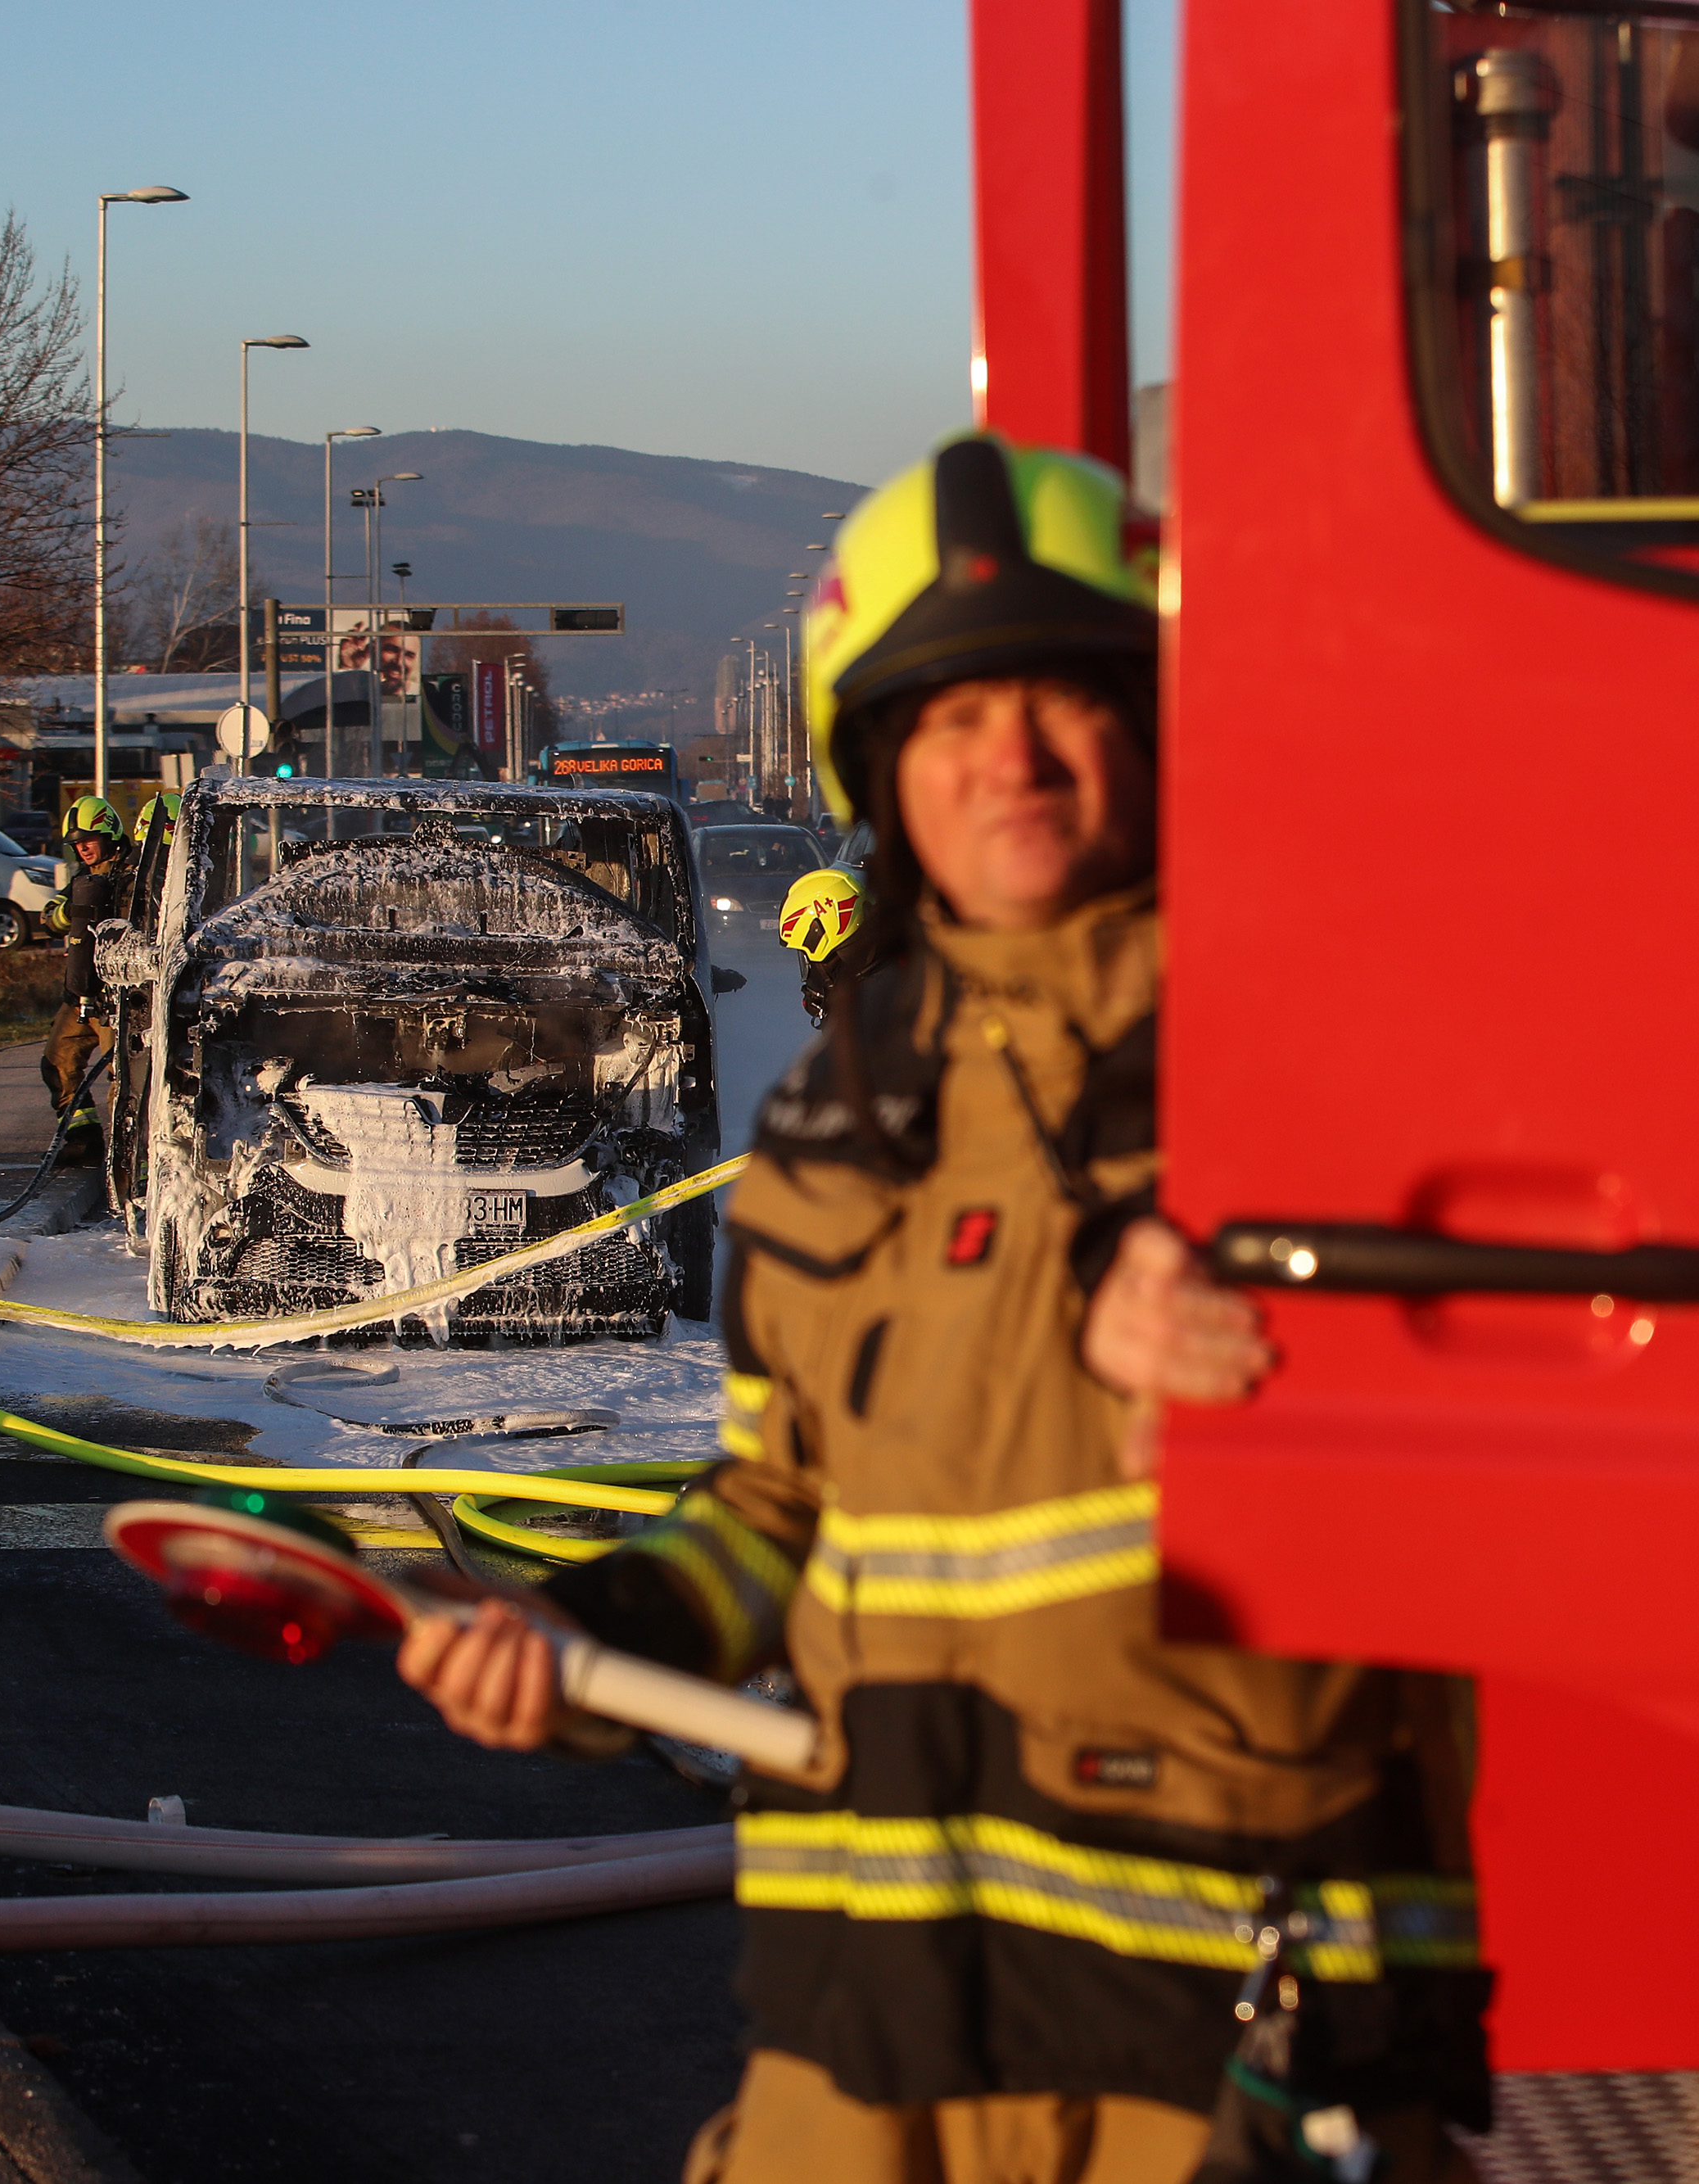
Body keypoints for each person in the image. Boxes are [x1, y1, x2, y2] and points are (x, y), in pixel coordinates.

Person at [400, 433, 1487, 2184]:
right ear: (883, 768)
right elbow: (779, 1511)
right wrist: (593, 1638)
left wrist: (1292, 1382)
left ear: (1152, 720)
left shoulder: (1322, 1059)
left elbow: (1526, 1480)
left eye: (1060, 696)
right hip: (874, 2025)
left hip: (1217, 2023)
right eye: (950, 717)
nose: (1011, 759)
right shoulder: (848, 1121)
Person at [38, 794, 127, 1161]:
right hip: (80, 991)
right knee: (57, 1061)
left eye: (88, 840)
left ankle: (129, 1155)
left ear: (109, 836)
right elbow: (48, 917)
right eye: (76, 843)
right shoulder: (82, 879)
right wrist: (75, 908)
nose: (82, 848)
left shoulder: (134, 876)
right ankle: (84, 1138)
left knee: (121, 1075)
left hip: (116, 995)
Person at [775, 865, 875, 1029]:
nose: (809, 976)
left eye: (806, 958)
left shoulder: (862, 1019)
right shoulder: (896, 975)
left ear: (820, 938)